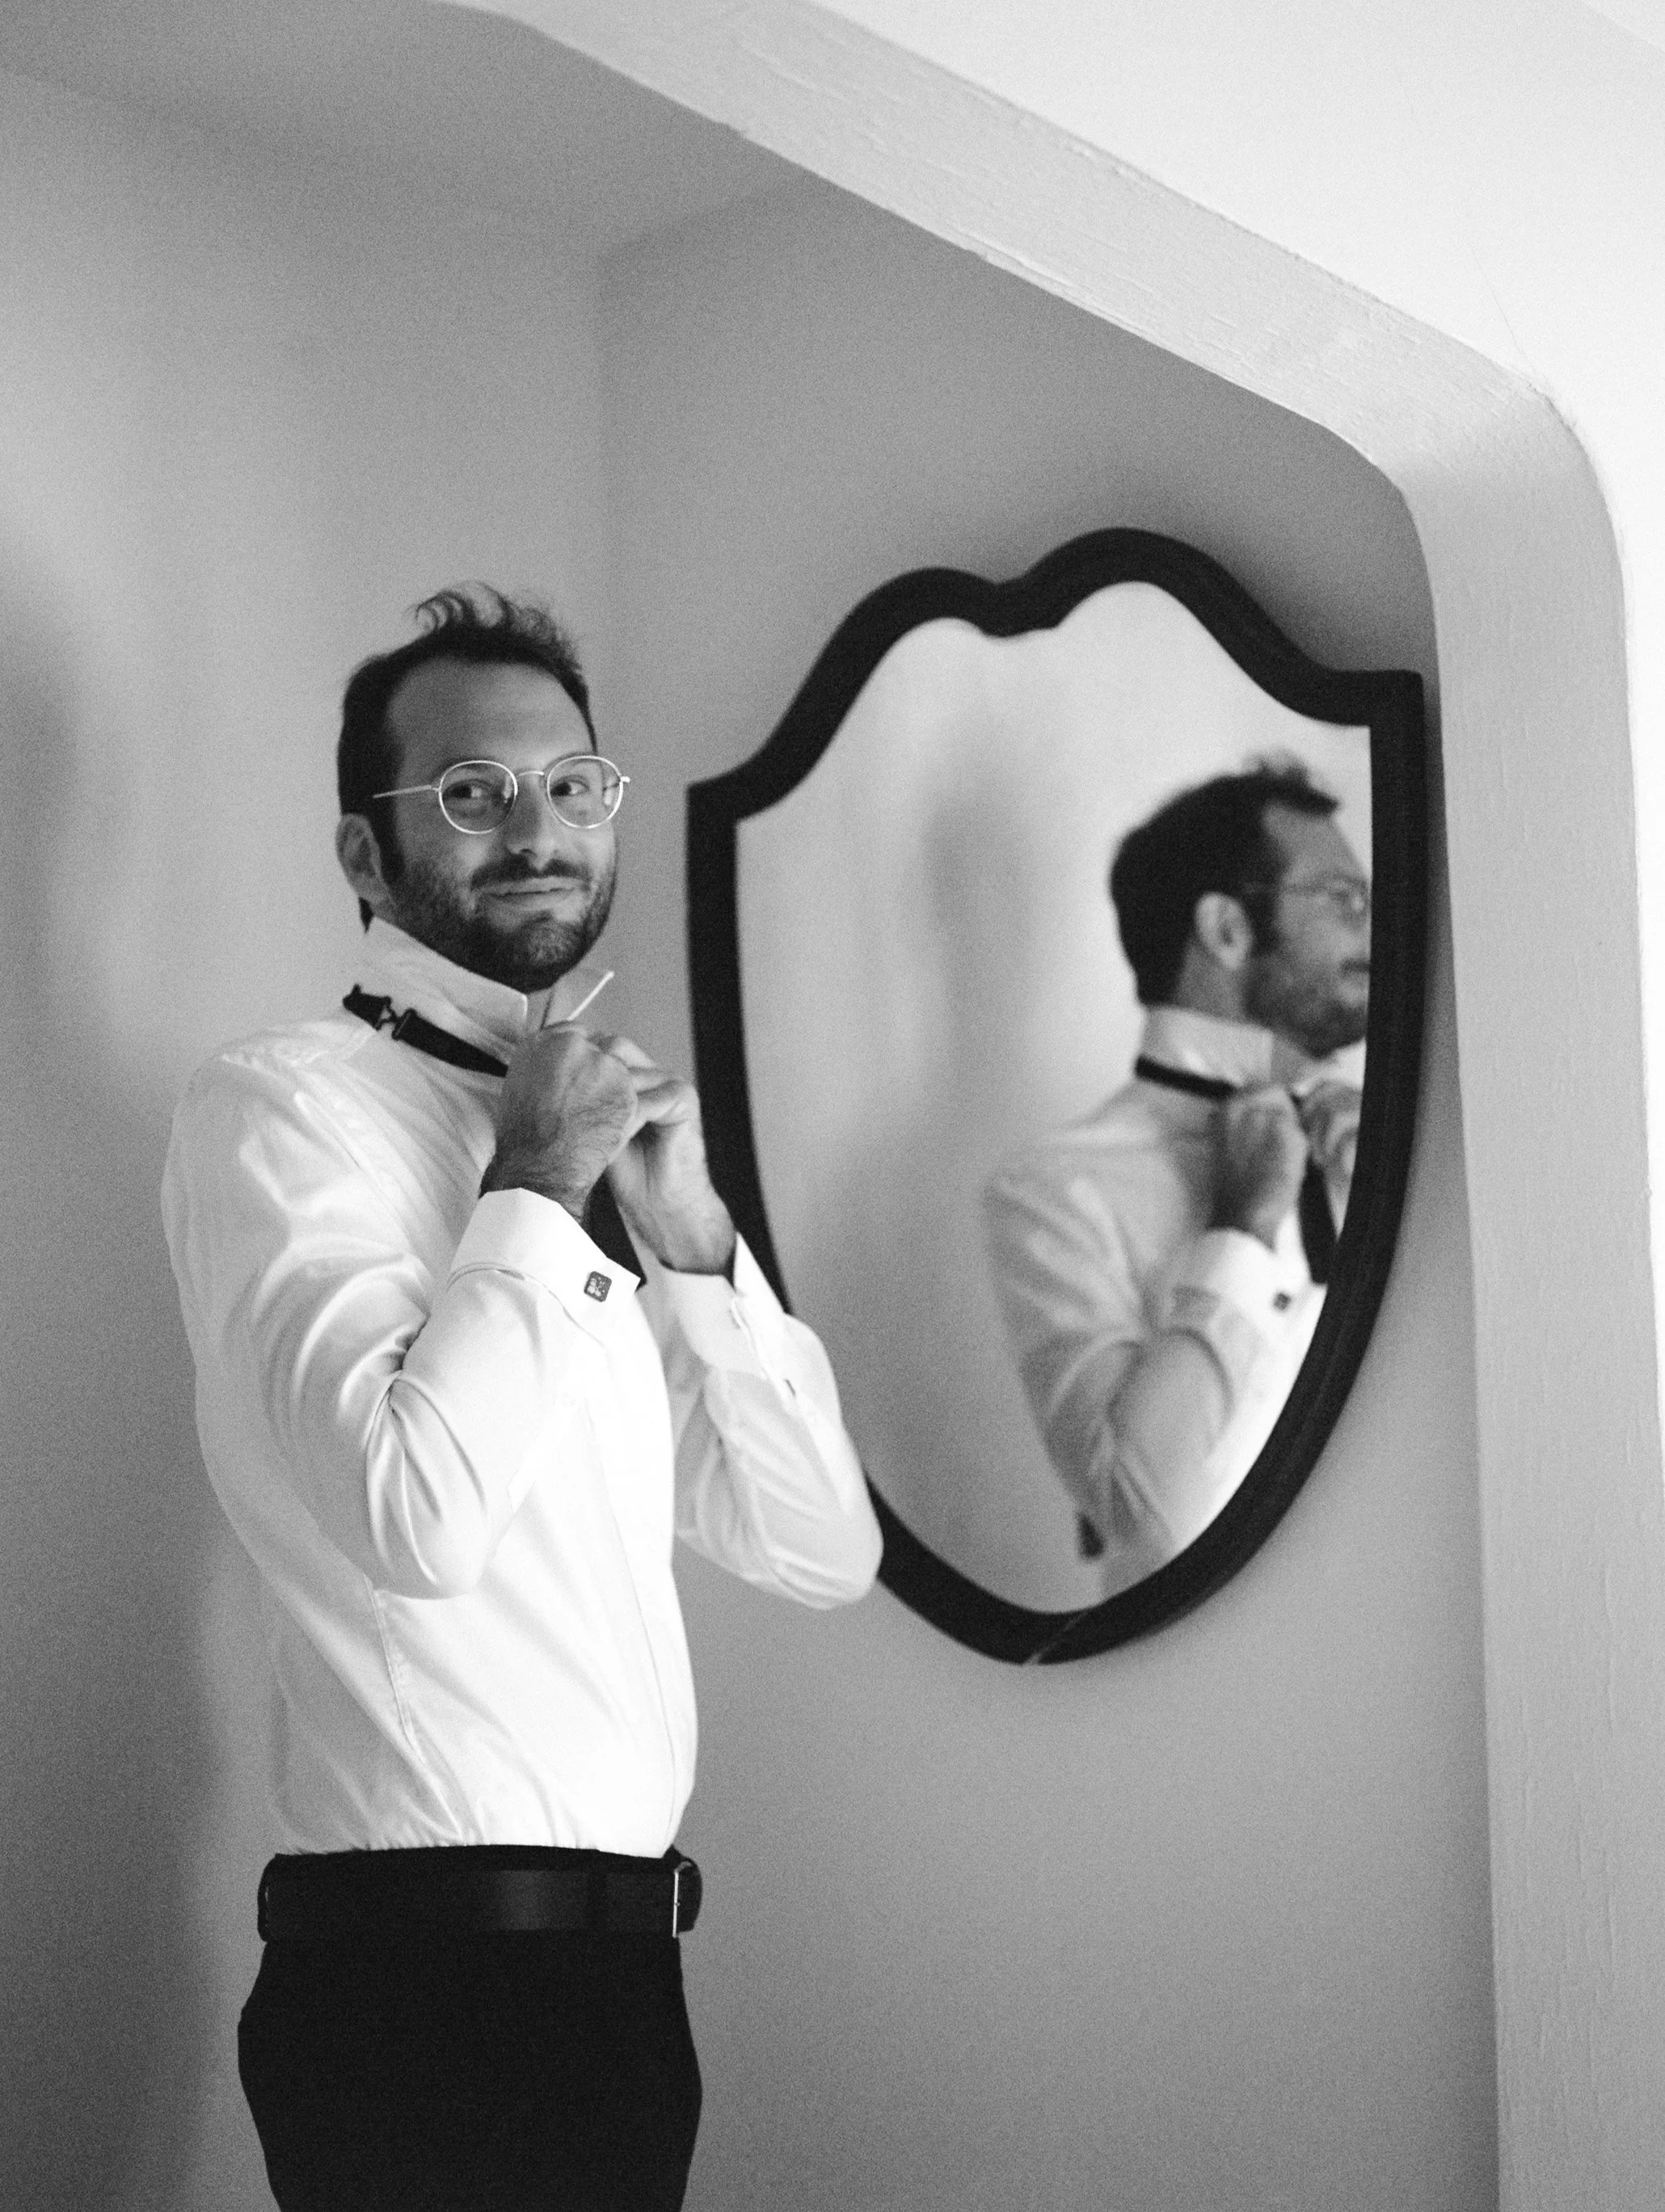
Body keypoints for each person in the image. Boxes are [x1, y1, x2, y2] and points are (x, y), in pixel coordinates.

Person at [161, 585, 882, 2211]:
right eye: (472, 794)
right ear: (365, 856)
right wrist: (541, 1187)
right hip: (425, 1995)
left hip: (623, 1987)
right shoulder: (281, 1116)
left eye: (573, 786)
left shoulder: (594, 1174)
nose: (539, 830)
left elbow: (820, 1548)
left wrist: (693, 1246)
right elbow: (412, 1519)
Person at [983, 760, 1369, 1596]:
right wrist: (1241, 1232)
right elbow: (1148, 1514)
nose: (1373, 932)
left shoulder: (1382, 1144)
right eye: (1342, 899)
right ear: (1227, 929)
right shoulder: (1052, 1190)